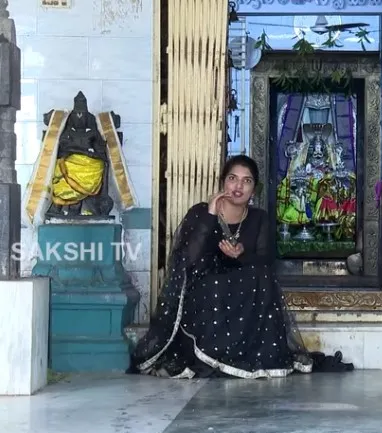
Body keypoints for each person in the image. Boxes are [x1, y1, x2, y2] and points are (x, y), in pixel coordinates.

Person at [128, 155, 354, 378]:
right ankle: (207, 355)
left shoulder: (258, 218)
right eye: (232, 178)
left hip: (243, 286)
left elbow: (266, 260)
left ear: (254, 189)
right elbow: (188, 259)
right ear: (223, 182)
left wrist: (240, 255)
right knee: (215, 284)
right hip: (204, 286)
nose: (238, 186)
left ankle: (246, 353)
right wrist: (210, 214)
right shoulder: (201, 212)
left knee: (260, 277)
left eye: (246, 181)